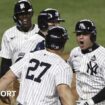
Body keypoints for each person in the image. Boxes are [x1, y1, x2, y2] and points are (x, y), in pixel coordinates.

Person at [0, 26, 75, 105]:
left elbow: (6, 78)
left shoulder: (29, 56)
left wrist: (1, 92)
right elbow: (64, 94)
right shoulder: (62, 66)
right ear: (63, 43)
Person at [67, 19, 105, 105]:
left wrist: (91, 102)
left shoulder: (103, 56)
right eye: (78, 34)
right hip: (81, 102)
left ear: (93, 35)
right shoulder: (75, 53)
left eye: (84, 34)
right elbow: (66, 71)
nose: (81, 37)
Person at [0, 0, 39, 78]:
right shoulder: (8, 34)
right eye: (21, 14)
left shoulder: (40, 31)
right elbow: (6, 62)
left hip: (38, 79)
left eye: (27, 14)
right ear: (16, 17)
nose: (25, 17)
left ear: (31, 14)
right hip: (17, 80)